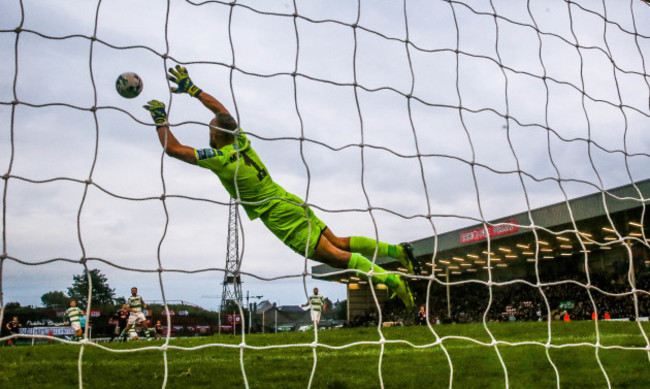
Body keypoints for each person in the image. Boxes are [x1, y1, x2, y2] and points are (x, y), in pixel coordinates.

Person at [142, 66, 419, 309]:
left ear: (216, 134)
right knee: (337, 243)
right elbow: (222, 112)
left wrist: (160, 118)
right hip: (288, 199)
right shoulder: (241, 141)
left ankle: (392, 280)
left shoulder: (221, 159)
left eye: (210, 128)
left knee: (335, 256)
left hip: (278, 213)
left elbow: (173, 149)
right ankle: (395, 251)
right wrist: (192, 89)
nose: (209, 129)